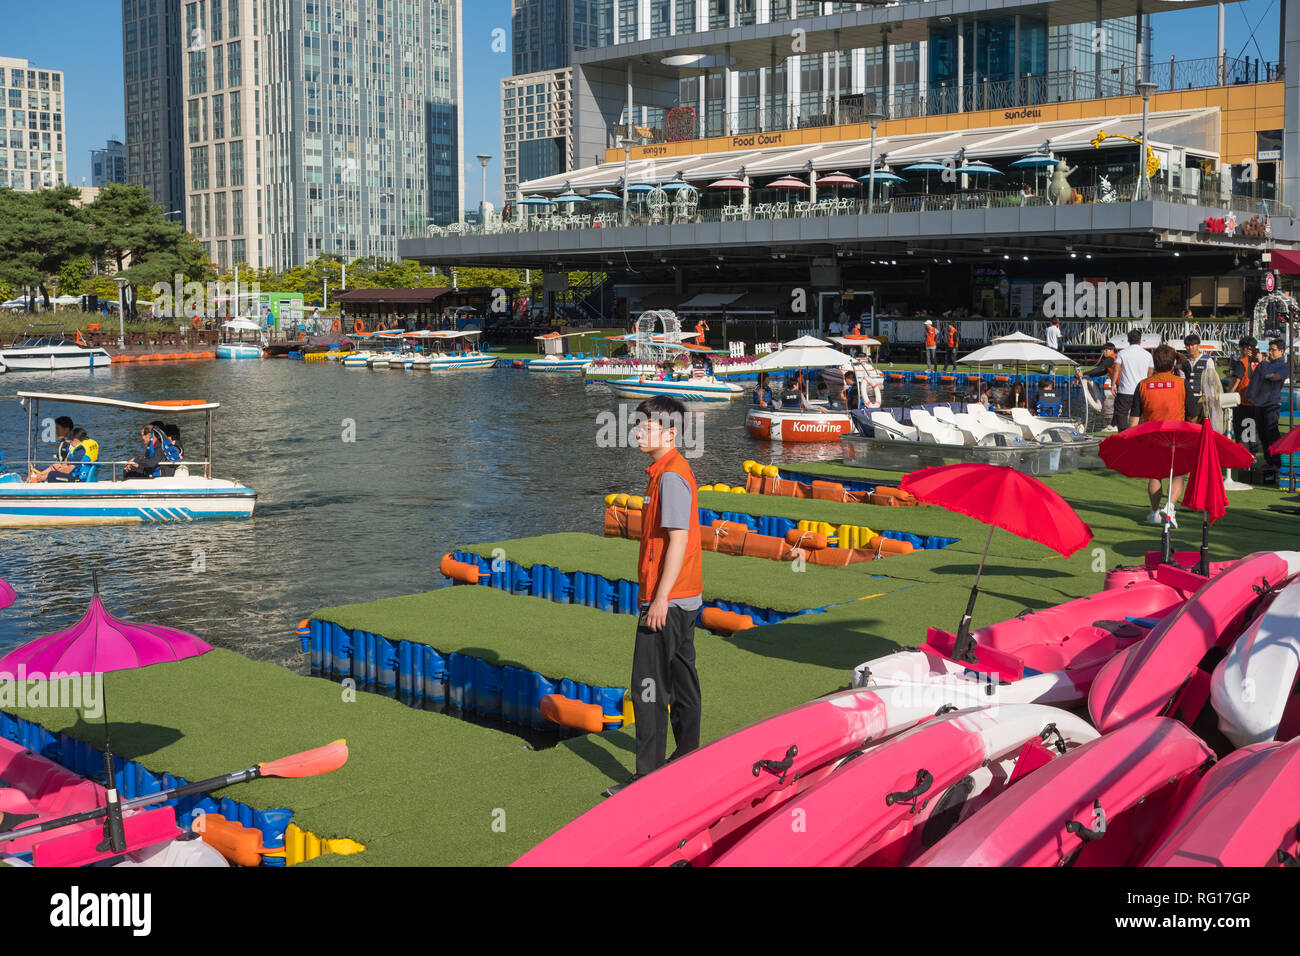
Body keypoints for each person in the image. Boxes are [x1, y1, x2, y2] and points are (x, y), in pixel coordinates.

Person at [604, 395, 703, 797]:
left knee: (648, 685)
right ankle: (690, 757)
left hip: (669, 599)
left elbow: (678, 540)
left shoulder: (672, 476)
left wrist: (659, 599)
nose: (638, 432)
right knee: (681, 679)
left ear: (671, 433)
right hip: (684, 596)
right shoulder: (663, 473)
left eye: (646, 427)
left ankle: (647, 777)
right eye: (638, 425)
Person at [1129, 344, 1188, 526]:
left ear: (1154, 362)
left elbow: (1134, 417)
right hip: (1177, 434)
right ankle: (1170, 506)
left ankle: (1155, 513)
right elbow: (1193, 412)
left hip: (1153, 435)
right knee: (1177, 474)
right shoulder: (1181, 383)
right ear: (1174, 363)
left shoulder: (1143, 385)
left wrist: (1132, 438)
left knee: (1155, 475)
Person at [1245, 338, 1288, 476]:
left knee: (1272, 435)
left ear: (1281, 351)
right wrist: (1253, 362)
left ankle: (1276, 464)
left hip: (1272, 403)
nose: (1270, 352)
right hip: (1260, 403)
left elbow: (1273, 377)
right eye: (1269, 349)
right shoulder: (1265, 364)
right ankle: (1270, 462)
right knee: (1263, 435)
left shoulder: (1284, 366)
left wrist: (1262, 362)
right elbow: (1252, 376)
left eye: (1273, 350)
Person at [1114, 329, 1154, 431]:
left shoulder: (1122, 353)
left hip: (1125, 390)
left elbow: (1117, 369)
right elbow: (1150, 374)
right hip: (1141, 390)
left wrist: (1113, 383)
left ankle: (1122, 434)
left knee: (1121, 414)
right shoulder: (1148, 355)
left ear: (1128, 340)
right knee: (1139, 414)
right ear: (1140, 341)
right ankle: (1137, 434)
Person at [1077, 343, 1120, 429]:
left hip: (1121, 384)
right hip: (1119, 385)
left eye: (1106, 350)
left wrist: (1083, 374)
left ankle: (1117, 425)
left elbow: (1100, 368)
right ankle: (1115, 424)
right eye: (1103, 350)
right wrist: (1088, 376)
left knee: (1120, 406)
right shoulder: (1113, 359)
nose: (1104, 352)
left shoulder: (1111, 358)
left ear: (1112, 351)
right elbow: (1102, 372)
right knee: (1118, 405)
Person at [1225, 337, 1258, 446]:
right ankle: (1253, 457)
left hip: (1242, 402)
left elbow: (1236, 381)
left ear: (1244, 349)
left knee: (1241, 434)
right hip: (1256, 403)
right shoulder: (1259, 363)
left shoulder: (1242, 363)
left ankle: (1243, 459)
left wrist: (1227, 396)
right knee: (1252, 433)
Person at [1177, 333, 1213, 425]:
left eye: (1193, 345)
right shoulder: (1184, 363)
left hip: (1203, 399)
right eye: (1188, 345)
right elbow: (1182, 380)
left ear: (1198, 346)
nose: (1190, 348)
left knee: (1204, 425)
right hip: (1189, 399)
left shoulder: (1207, 360)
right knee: (1190, 426)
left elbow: (1212, 380)